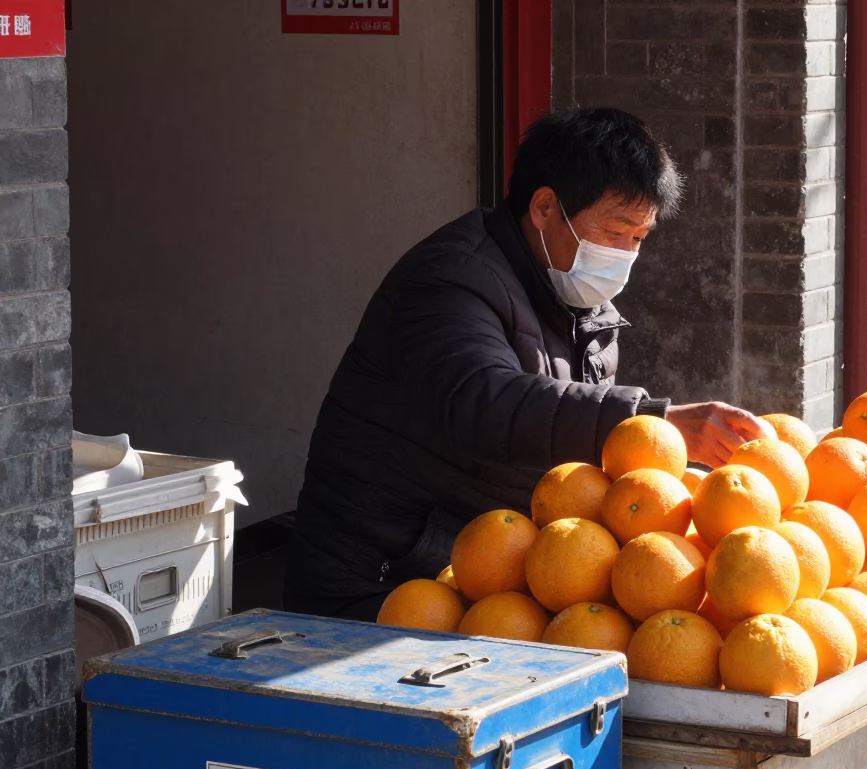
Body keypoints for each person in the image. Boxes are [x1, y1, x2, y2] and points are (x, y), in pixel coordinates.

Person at [285, 107, 774, 621]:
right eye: (616, 231)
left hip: (487, 580)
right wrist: (650, 422)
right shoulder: (450, 279)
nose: (625, 254)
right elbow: (486, 402)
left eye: (638, 238)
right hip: (381, 582)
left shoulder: (579, 300)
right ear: (545, 207)